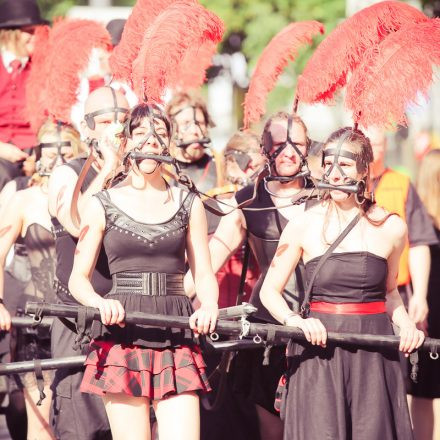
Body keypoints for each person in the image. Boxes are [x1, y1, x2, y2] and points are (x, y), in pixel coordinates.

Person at [260, 127, 424, 440]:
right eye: (328, 164)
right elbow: (270, 292)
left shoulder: (391, 227)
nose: (334, 174)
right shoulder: (303, 224)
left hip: (374, 354)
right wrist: (295, 321)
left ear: (364, 170)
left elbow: (390, 294)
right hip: (318, 352)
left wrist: (408, 327)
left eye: (345, 165)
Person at [68, 103, 218, 440]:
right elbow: (77, 279)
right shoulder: (101, 203)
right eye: (141, 133)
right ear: (126, 143)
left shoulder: (189, 202)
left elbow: (204, 274)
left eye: (160, 133)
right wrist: (98, 302)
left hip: (176, 328)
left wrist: (209, 306)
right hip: (123, 329)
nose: (151, 141)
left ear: (168, 143)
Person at [186, 111, 312, 440]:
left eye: (296, 144)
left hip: (321, 323)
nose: (288, 152)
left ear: (308, 147)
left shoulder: (326, 197)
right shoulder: (247, 201)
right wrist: (168, 300)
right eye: (278, 144)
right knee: (271, 424)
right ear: (264, 148)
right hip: (268, 327)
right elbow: (209, 259)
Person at [47, 86, 129, 440]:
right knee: (81, 427)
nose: (115, 130)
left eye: (123, 121)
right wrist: (109, 168)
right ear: (87, 128)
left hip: (131, 321)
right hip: (76, 322)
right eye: (106, 121)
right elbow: (77, 223)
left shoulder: (145, 178)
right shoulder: (67, 174)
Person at [0, 120, 81, 440]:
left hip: (80, 322)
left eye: (66, 151)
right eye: (50, 150)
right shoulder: (24, 200)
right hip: (37, 324)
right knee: (42, 423)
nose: (58, 159)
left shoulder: (91, 197)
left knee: (85, 420)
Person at [368, 127, 437, 325]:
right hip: (356, 295)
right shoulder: (344, 186)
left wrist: (420, 295)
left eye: (377, 144)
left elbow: (419, 242)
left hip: (397, 293)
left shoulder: (402, 183)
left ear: (386, 146)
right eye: (367, 144)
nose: (371, 150)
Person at [0, 0, 49, 190]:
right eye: (29, 31)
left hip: (36, 149)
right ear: (10, 34)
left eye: (37, 31)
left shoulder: (43, 69)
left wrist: (37, 155)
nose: (35, 37)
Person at [409, 148, 440, 440]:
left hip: (427, 313)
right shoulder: (423, 224)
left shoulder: (421, 225)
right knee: (424, 392)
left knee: (424, 394)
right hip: (428, 315)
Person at [166, 92, 221, 192]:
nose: (195, 131)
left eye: (200, 123)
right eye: (186, 123)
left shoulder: (220, 165)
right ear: (172, 128)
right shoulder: (162, 168)